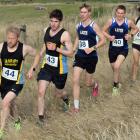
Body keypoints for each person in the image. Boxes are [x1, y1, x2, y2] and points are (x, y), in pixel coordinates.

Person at [28, 9, 73, 124]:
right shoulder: (46, 30)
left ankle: (66, 99)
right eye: (51, 21)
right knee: (41, 92)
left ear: (60, 22)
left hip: (60, 70)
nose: (53, 24)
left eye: (56, 21)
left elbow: (71, 53)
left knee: (59, 93)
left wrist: (57, 48)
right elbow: (44, 47)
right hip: (47, 67)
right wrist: (34, 66)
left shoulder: (64, 34)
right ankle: (41, 119)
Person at [0, 26, 36, 138]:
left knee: (5, 103)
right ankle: (17, 120)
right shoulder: (1, 46)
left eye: (12, 38)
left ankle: (1, 131)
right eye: (8, 38)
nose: (10, 40)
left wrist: (32, 69)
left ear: (17, 38)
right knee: (12, 104)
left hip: (17, 82)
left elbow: (38, 54)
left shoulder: (24, 48)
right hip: (4, 81)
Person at [72, 3, 105, 113]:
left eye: (85, 12)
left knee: (87, 83)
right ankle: (76, 107)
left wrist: (92, 48)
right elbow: (78, 37)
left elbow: (103, 40)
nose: (82, 14)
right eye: (81, 12)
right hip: (80, 56)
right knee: (75, 79)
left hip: (91, 57)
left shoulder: (94, 25)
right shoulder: (78, 26)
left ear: (89, 13)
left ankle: (95, 85)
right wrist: (73, 48)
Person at [103, 5, 138, 96]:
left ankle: (115, 88)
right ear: (116, 13)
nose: (120, 15)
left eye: (122, 13)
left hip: (123, 49)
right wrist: (109, 37)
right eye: (118, 13)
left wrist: (130, 35)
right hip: (112, 50)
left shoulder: (128, 22)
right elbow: (103, 30)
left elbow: (136, 29)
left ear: (124, 14)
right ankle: (118, 83)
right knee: (115, 69)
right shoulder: (111, 21)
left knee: (117, 66)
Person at [131, 7, 140, 85]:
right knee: (136, 62)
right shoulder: (136, 19)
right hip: (136, 43)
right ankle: (133, 80)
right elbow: (131, 29)